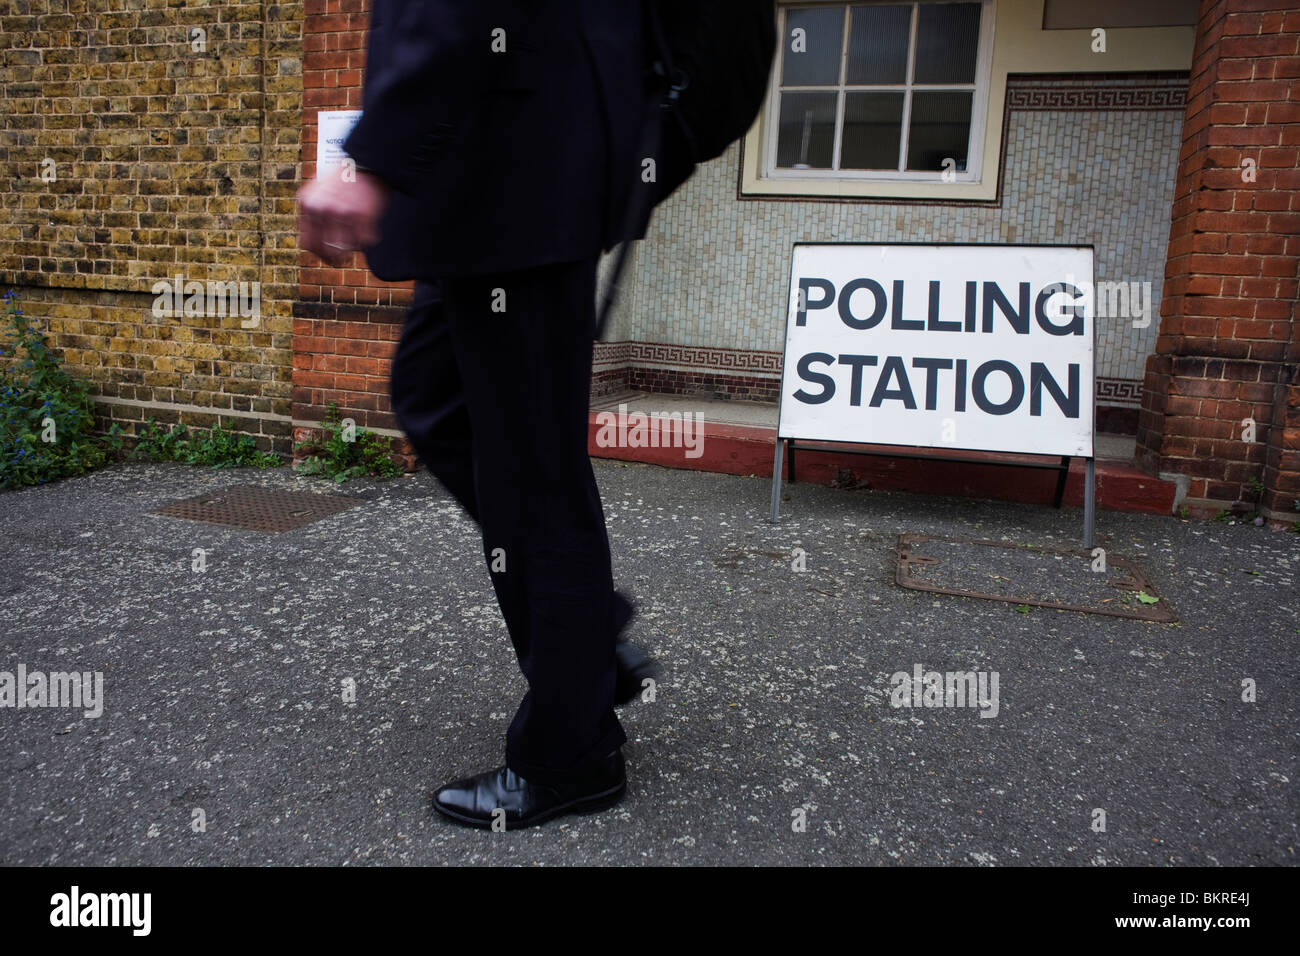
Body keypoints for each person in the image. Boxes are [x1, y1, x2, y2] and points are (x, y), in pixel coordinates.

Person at [297, 0, 657, 829]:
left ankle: (573, 755)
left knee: (534, 474)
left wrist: (372, 155)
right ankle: (588, 641)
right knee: (436, 400)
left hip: (514, 185)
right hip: (477, 191)